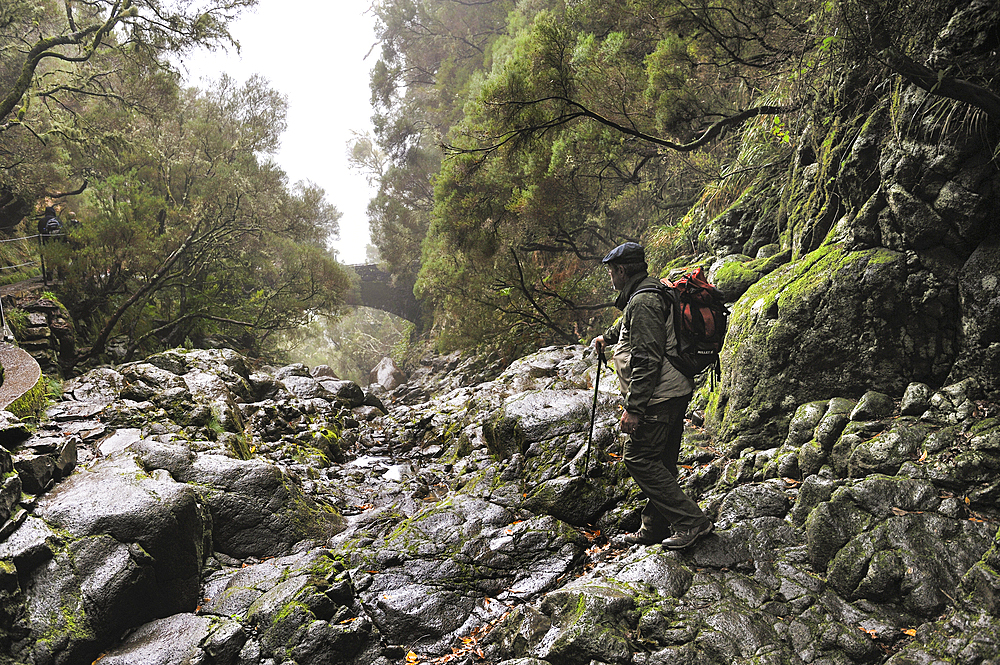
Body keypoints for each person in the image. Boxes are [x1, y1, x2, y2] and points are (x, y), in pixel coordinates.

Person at [593, 241, 714, 549]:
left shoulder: (643, 302)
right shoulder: (650, 291)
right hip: (675, 391)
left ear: (621, 271)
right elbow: (633, 325)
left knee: (639, 459)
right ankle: (655, 527)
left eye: (611, 272)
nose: (610, 278)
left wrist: (634, 408)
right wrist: (607, 338)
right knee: (662, 459)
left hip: (660, 396)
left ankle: (692, 522)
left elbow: (647, 359)